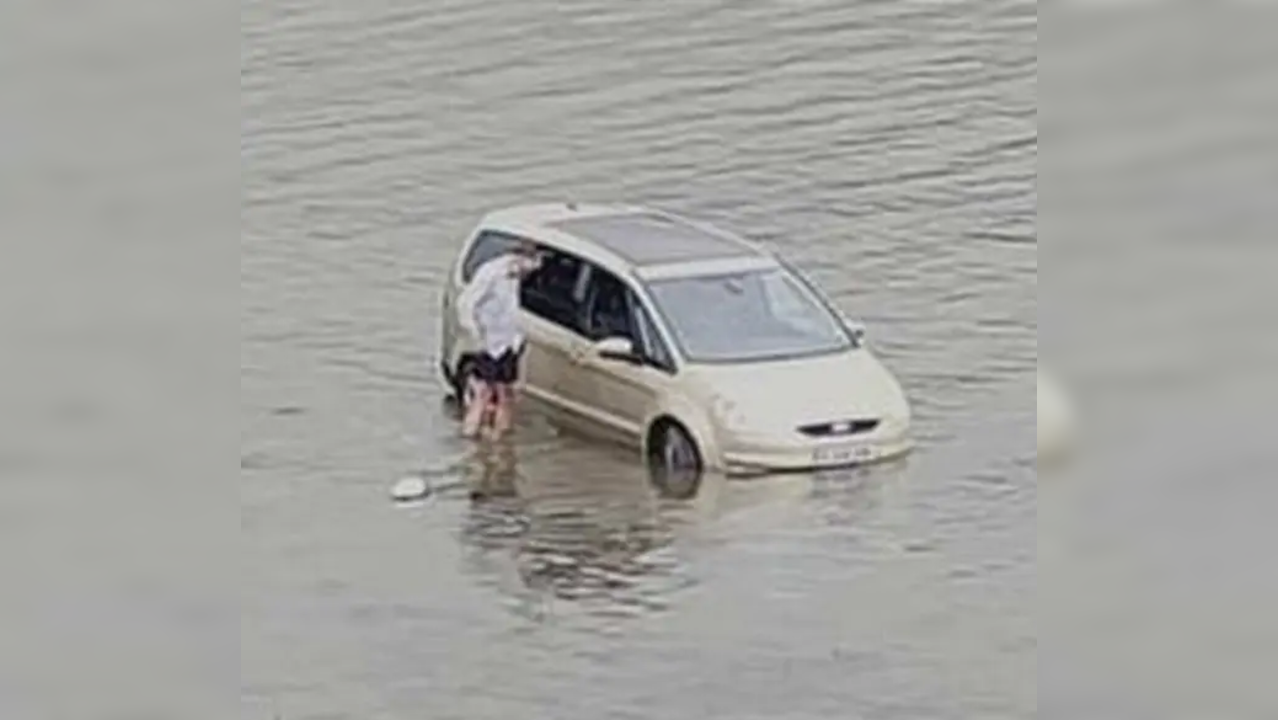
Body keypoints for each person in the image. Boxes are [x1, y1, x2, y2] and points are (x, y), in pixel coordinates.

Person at [456, 240, 542, 439]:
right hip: (487, 342)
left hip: (507, 343)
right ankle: (469, 435)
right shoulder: (491, 273)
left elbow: (511, 311)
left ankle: (500, 437)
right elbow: (466, 303)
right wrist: (475, 333)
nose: (526, 274)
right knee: (483, 393)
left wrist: (517, 341)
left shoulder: (514, 278)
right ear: (518, 259)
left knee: (506, 393)